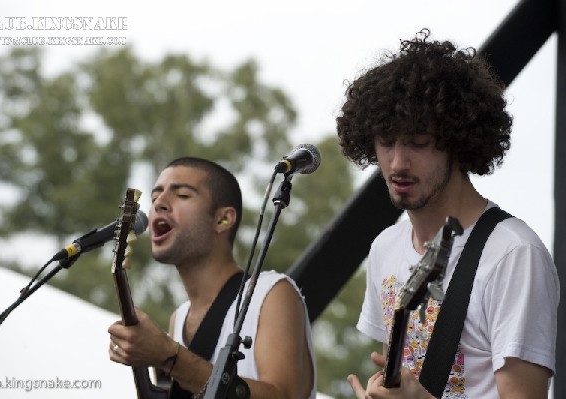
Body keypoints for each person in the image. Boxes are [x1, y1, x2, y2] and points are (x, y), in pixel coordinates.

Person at [336, 29, 559, 398]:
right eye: (386, 142)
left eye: (418, 142)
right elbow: (401, 371)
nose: (397, 162)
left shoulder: (513, 255)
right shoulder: (385, 248)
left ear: (457, 140)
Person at [107, 156, 316, 398]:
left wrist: (169, 356)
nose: (159, 204)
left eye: (182, 195)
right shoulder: (179, 318)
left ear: (223, 219)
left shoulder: (270, 293)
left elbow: (283, 395)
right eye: (154, 198)